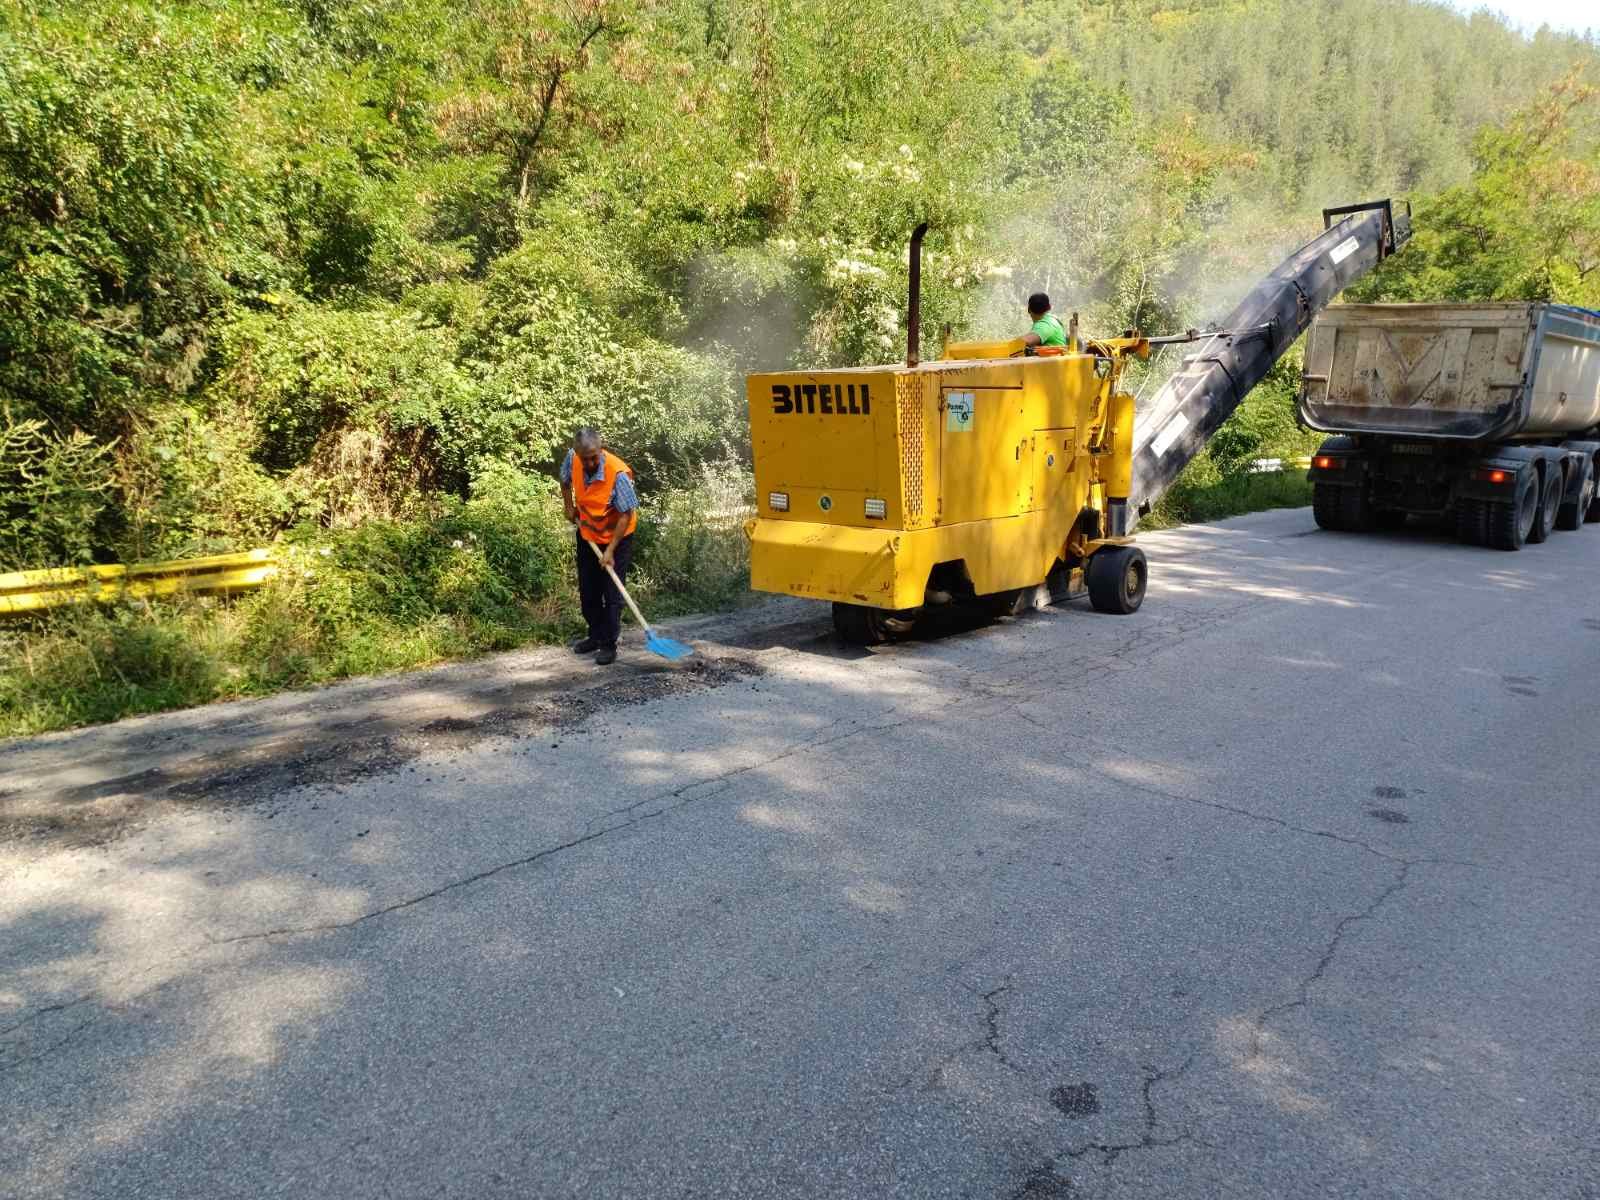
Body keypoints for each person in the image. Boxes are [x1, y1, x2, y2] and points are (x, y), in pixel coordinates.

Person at [560, 426, 639, 666]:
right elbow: (564, 481)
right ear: (577, 453)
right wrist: (569, 506)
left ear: (600, 449)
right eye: (586, 458)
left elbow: (625, 514)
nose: (591, 462)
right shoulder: (573, 459)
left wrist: (610, 551)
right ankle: (595, 635)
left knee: (612, 593)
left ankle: (608, 644)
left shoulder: (618, 473)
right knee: (588, 590)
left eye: (594, 457)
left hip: (618, 537)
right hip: (588, 533)